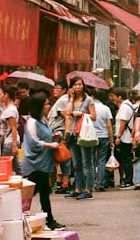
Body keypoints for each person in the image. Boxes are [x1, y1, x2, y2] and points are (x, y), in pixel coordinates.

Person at [21, 92, 65, 231]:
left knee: (39, 192)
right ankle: (49, 221)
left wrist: (54, 136)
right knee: (39, 193)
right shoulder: (32, 122)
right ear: (39, 106)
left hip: (44, 163)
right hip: (35, 164)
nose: (48, 106)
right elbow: (33, 142)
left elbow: (45, 135)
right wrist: (49, 145)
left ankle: (46, 220)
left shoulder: (44, 120)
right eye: (46, 104)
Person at [62, 76, 97, 200]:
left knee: (87, 163)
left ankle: (88, 190)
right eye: (75, 85)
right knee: (76, 164)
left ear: (83, 86)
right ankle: (78, 189)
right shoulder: (70, 100)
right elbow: (67, 113)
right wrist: (71, 99)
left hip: (84, 134)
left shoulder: (88, 100)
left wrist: (82, 114)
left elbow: (94, 116)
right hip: (72, 133)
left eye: (80, 84)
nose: (78, 87)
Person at [49, 80, 72, 194]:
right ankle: (60, 182)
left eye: (58, 88)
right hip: (57, 131)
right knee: (61, 157)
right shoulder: (61, 100)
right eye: (54, 88)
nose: (55, 90)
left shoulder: (64, 100)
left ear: (64, 90)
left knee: (63, 157)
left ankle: (64, 183)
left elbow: (67, 116)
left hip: (60, 132)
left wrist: (66, 133)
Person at [111, 87, 135, 189]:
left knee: (126, 160)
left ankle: (128, 181)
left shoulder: (124, 106)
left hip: (125, 137)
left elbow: (123, 122)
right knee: (126, 159)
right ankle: (127, 179)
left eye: (113, 96)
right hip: (126, 136)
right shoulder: (127, 105)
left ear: (120, 97)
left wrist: (118, 137)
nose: (112, 99)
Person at [92, 92, 115, 190]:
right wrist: (111, 140)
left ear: (93, 97)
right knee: (101, 161)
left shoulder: (89, 108)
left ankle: (90, 184)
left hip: (90, 137)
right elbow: (109, 125)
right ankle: (100, 184)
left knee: (91, 161)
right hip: (104, 136)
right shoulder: (106, 108)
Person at [0, 86, 21, 174]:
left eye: (1, 94)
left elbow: (14, 127)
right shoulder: (8, 109)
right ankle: (26, 180)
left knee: (5, 166)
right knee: (16, 166)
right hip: (9, 140)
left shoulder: (10, 110)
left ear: (6, 95)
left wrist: (14, 145)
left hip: (9, 141)